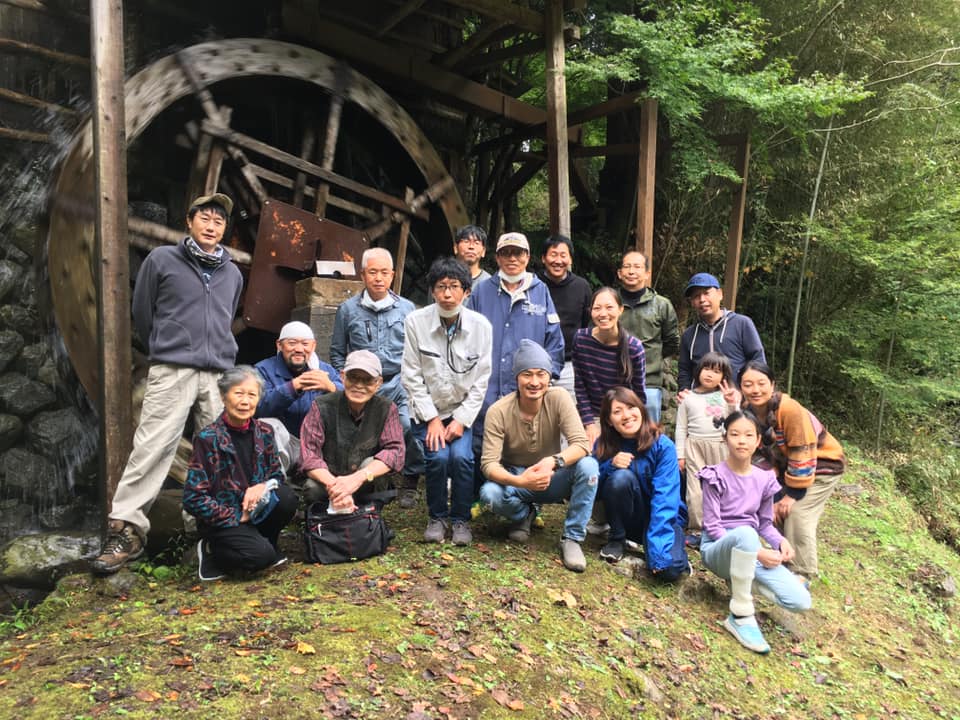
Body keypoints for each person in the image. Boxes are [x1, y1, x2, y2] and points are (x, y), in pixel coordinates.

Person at [91, 193, 244, 574]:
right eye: (205, 218)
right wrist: (168, 345)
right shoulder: (162, 260)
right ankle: (126, 530)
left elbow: (228, 317)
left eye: (219, 222)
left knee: (218, 454)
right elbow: (143, 311)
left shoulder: (233, 273)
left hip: (217, 374)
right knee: (152, 447)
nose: (212, 226)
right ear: (188, 221)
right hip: (172, 368)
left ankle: (210, 531)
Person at [479, 340, 599, 572]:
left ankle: (572, 538)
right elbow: (489, 464)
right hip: (517, 478)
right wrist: (520, 481)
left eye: (541, 374)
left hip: (552, 475)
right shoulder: (498, 411)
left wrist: (553, 461)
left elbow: (582, 444)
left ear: (549, 376)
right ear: (516, 378)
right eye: (527, 374)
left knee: (589, 466)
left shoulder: (559, 398)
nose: (534, 382)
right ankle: (525, 514)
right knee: (489, 493)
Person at [699, 411, 812, 654]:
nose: (742, 441)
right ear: (725, 438)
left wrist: (781, 542)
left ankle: (743, 580)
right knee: (745, 534)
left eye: (749, 435)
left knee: (800, 601)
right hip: (718, 550)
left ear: (758, 441)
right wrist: (759, 553)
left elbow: (764, 525)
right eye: (735, 434)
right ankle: (740, 615)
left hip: (751, 550)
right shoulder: (714, 475)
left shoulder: (763, 479)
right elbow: (713, 526)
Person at [402, 258, 492, 545]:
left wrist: (461, 420)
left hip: (462, 410)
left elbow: (481, 380)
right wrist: (431, 420)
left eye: (455, 287)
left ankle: (461, 520)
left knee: (463, 458)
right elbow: (411, 374)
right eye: (441, 287)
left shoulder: (481, 327)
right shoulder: (415, 322)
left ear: (466, 292)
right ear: (432, 291)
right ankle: (438, 517)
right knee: (438, 458)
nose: (448, 294)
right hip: (429, 411)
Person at [466, 231, 564, 492]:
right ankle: (481, 497)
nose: (512, 258)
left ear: (528, 257)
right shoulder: (482, 292)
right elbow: (466, 338)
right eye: (506, 252)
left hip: (526, 389)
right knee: (482, 441)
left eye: (518, 253)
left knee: (526, 445)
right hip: (486, 385)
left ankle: (526, 503)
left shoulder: (540, 291)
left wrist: (544, 380)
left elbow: (555, 342)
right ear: (497, 257)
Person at [182, 366, 298, 581]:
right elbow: (193, 498)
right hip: (224, 518)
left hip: (255, 511)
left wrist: (261, 487)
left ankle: (265, 544)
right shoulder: (208, 439)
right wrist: (235, 515)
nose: (245, 401)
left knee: (287, 498)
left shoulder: (264, 432)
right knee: (260, 558)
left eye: (252, 395)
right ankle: (210, 551)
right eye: (239, 393)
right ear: (224, 396)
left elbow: (277, 477)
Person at [330, 247, 423, 508]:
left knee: (408, 425)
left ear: (393, 275)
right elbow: (337, 353)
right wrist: (347, 383)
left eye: (384, 272)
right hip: (363, 385)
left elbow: (416, 351)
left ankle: (410, 481)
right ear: (363, 275)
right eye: (373, 272)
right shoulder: (348, 310)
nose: (379, 278)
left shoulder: (407, 309)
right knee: (362, 433)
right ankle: (374, 481)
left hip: (398, 382)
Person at [738, 361, 845, 580]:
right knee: (771, 509)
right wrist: (770, 486)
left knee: (796, 513)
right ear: (741, 387)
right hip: (786, 467)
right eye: (748, 384)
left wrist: (792, 495)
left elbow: (802, 451)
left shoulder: (789, 409)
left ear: (773, 384)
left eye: (761, 383)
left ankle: (802, 572)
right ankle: (786, 558)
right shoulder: (747, 412)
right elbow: (758, 452)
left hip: (822, 465)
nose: (755, 390)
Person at [593, 386, 689, 578]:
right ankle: (617, 539)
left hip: (661, 519)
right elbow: (590, 486)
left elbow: (665, 499)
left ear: (641, 409)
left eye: (631, 407)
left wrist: (657, 552)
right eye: (617, 412)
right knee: (620, 478)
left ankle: (665, 551)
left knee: (669, 570)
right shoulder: (604, 445)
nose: (626, 416)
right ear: (609, 421)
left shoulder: (663, 446)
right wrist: (610, 466)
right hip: (629, 518)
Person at [299, 350, 406, 511]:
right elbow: (309, 456)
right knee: (312, 487)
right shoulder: (321, 406)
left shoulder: (387, 408)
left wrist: (356, 479)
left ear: (378, 383)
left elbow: (395, 451)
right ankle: (324, 517)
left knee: (372, 464)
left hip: (365, 481)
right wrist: (338, 488)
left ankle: (365, 514)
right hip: (330, 482)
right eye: (353, 377)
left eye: (368, 380)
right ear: (342, 376)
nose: (359, 386)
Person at [254, 321, 342, 471]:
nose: (299, 349)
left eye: (305, 344)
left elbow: (353, 398)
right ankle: (276, 480)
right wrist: (293, 387)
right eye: (292, 343)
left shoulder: (325, 370)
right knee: (266, 425)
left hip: (317, 444)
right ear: (279, 345)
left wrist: (331, 387)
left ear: (313, 346)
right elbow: (258, 408)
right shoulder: (263, 370)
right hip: (284, 444)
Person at [675, 352, 740, 543]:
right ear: (698, 371)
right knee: (695, 490)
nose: (710, 374)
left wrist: (732, 404)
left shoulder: (725, 396)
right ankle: (697, 529)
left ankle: (721, 527)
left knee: (721, 488)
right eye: (706, 369)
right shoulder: (687, 397)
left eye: (717, 371)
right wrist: (680, 454)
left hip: (721, 446)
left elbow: (735, 421)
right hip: (694, 447)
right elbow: (681, 427)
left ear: (724, 377)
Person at [572, 287, 646, 447]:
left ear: (621, 310)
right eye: (597, 308)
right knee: (587, 460)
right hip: (593, 416)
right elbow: (580, 386)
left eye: (609, 307)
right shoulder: (581, 339)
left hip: (623, 416)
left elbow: (639, 394)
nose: (603, 313)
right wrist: (589, 423)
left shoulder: (634, 348)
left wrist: (630, 425)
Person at [677, 272, 765, 400]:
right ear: (692, 302)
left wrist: (745, 392)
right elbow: (685, 369)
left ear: (720, 294)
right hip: (701, 405)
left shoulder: (741, 324)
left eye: (707, 293)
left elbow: (757, 360)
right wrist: (684, 391)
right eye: (696, 296)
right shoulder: (689, 335)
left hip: (738, 402)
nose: (702, 299)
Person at [617, 251, 679, 422]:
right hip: (615, 380)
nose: (631, 271)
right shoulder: (611, 302)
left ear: (647, 273)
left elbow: (672, 341)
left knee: (649, 433)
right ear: (619, 273)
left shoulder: (661, 305)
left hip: (649, 382)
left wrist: (653, 357)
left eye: (637, 267)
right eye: (627, 266)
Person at [537, 235, 592, 400]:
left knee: (571, 415)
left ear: (570, 260)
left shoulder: (581, 286)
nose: (558, 260)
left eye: (563, 255)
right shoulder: (533, 284)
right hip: (536, 364)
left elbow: (587, 325)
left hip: (570, 364)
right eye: (553, 255)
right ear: (543, 258)